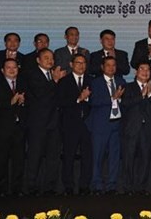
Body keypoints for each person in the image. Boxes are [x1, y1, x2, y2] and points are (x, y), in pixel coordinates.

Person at [25, 48, 65, 195]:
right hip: (38, 123)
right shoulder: (32, 74)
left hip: (54, 122)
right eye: (46, 58)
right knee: (35, 156)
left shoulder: (55, 74)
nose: (50, 60)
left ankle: (49, 187)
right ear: (38, 60)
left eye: (52, 58)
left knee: (53, 157)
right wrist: (55, 80)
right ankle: (30, 187)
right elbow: (41, 95)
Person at [87, 56, 126, 195]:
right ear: (102, 67)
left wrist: (120, 99)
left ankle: (112, 185)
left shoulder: (121, 81)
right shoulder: (95, 82)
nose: (111, 68)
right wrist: (112, 98)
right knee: (97, 156)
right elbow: (93, 101)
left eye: (114, 65)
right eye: (108, 65)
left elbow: (125, 102)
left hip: (116, 123)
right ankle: (96, 184)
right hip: (100, 125)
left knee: (114, 156)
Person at [56, 54, 93, 195]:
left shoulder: (91, 80)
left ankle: (85, 185)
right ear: (71, 64)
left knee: (87, 156)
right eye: (78, 63)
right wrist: (78, 99)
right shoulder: (64, 81)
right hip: (69, 124)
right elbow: (60, 102)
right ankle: (68, 186)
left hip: (87, 124)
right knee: (69, 156)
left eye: (83, 63)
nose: (81, 65)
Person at [120, 61, 151, 196]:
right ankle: (128, 187)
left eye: (147, 69)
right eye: (142, 69)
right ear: (136, 72)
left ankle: (141, 187)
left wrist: (150, 94)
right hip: (131, 128)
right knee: (128, 158)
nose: (145, 72)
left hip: (147, 129)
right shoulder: (127, 87)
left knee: (145, 158)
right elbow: (124, 104)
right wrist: (141, 95)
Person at [0, 58, 26, 197]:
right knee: (1, 160)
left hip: (19, 128)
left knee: (19, 160)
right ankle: (1, 189)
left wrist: (23, 102)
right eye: (8, 67)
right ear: (2, 70)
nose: (11, 69)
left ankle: (17, 189)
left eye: (14, 67)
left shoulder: (22, 84)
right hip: (2, 129)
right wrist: (11, 101)